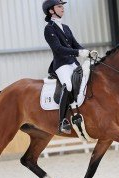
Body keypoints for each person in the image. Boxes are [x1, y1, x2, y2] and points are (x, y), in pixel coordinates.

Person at [42, 0, 98, 134]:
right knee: (68, 85)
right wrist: (78, 53)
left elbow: (75, 44)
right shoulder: (49, 28)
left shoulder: (65, 27)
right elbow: (58, 48)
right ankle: (62, 121)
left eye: (62, 6)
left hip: (73, 63)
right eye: (59, 6)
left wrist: (88, 52)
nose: (62, 8)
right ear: (51, 10)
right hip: (61, 64)